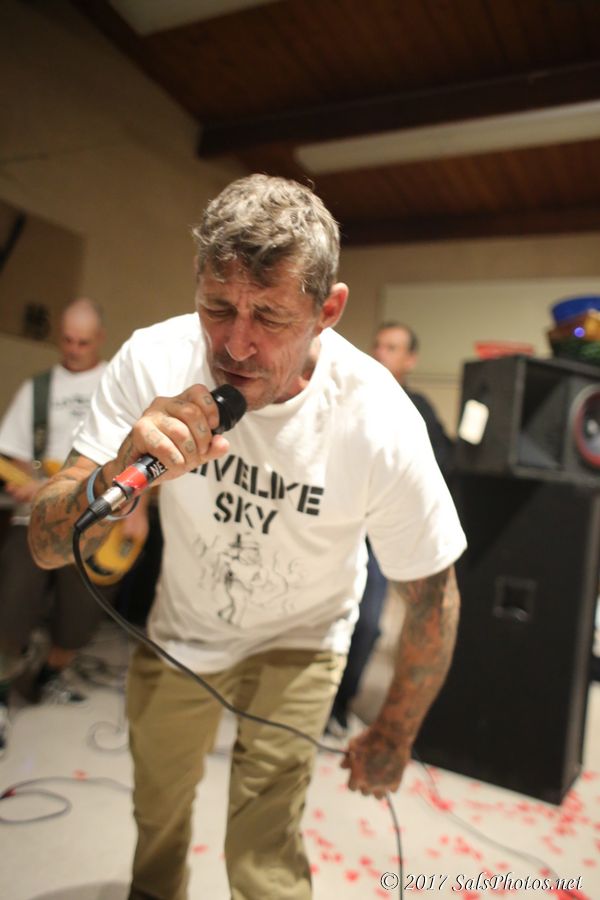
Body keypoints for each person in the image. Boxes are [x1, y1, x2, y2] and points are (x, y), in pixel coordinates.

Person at [28, 175, 466, 900]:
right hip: (182, 628)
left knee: (264, 854)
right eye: (217, 307)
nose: (235, 344)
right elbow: (48, 543)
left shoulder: (379, 417)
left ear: (327, 311)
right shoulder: (154, 358)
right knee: (157, 817)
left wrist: (394, 730)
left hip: (302, 638)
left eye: (270, 316)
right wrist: (114, 470)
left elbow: (432, 595)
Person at [0, 298, 142, 756]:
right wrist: (26, 481)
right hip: (38, 516)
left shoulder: (119, 383)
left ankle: (50, 675)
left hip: (101, 519)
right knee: (11, 603)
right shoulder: (38, 389)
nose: (74, 349)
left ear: (100, 339)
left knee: (80, 616)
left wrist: (138, 510)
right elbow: (16, 452)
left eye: (84, 342)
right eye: (67, 340)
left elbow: (141, 458)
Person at [327, 321, 455, 737]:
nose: (381, 352)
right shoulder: (349, 396)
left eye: (393, 347)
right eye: (378, 344)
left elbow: (442, 461)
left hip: (379, 529)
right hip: (337, 520)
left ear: (410, 359)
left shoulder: (418, 409)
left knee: (367, 621)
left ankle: (339, 704)